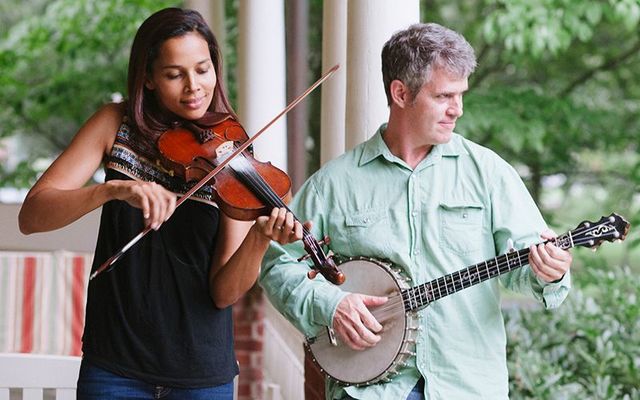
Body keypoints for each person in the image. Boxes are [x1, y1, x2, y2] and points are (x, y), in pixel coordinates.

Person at [259, 23, 573, 400]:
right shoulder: (334, 184)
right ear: (401, 92)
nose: (457, 109)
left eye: (461, 95)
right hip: (370, 392)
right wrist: (331, 305)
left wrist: (550, 271)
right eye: (444, 96)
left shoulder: (489, 173)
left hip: (467, 387)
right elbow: (278, 265)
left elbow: (528, 269)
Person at [18, 7, 303, 400]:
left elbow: (223, 293)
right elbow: (32, 215)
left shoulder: (232, 151)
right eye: (174, 74)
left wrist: (259, 238)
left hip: (201, 375)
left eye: (203, 70)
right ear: (148, 79)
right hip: (115, 367)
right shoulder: (113, 126)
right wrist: (113, 190)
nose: (194, 87)